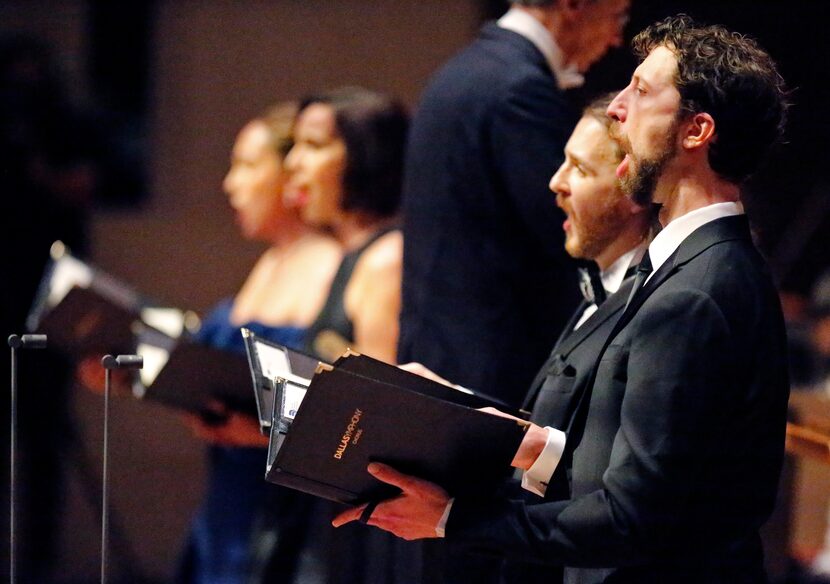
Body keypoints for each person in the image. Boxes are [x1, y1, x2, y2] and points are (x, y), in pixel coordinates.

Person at [335, 15, 791, 583]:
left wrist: (453, 519)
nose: (618, 107)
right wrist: (477, 422)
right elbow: (610, 468)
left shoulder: (697, 292)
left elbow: (632, 516)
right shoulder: (685, 270)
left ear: (696, 132)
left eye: (642, 91)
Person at [400, 93, 653, 584]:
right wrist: (452, 404)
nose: (555, 183)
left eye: (579, 169)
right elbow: (557, 431)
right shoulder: (597, 289)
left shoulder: (650, 305)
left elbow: (614, 484)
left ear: (630, 190)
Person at [398, 0, 630, 409]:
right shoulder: (518, 88)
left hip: (440, 351)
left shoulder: (466, 68)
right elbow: (568, 233)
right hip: (489, 372)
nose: (616, 37)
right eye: (617, 15)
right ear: (572, 5)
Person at [176, 103, 342, 583]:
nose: (231, 184)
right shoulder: (270, 261)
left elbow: (342, 410)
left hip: (284, 506)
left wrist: (258, 433)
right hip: (228, 496)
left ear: (290, 173)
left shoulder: (333, 266)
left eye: (248, 165)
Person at [279, 87, 410, 584]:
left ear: (364, 158)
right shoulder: (351, 255)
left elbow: (380, 418)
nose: (293, 164)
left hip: (362, 524)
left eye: (313, 146)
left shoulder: (385, 260)